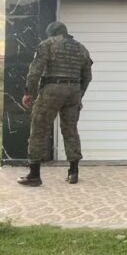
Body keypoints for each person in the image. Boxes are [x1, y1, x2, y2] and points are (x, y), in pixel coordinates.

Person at [18, 21, 93, 187]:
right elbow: (87, 76)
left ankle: (34, 175)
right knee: (70, 130)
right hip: (74, 91)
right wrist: (79, 94)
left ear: (51, 33)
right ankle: (73, 172)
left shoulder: (48, 44)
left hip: (52, 89)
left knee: (39, 129)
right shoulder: (81, 48)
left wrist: (29, 92)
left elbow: (35, 70)